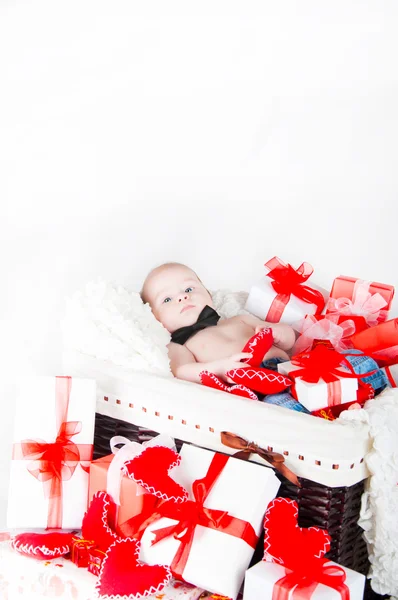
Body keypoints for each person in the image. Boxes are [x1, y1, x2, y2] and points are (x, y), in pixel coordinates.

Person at [141, 262, 296, 384]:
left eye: (189, 289)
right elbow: (183, 370)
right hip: (253, 388)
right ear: (154, 317)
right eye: (167, 299)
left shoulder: (239, 319)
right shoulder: (179, 344)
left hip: (290, 370)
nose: (182, 297)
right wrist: (219, 369)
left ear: (208, 294)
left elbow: (289, 342)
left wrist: (279, 332)